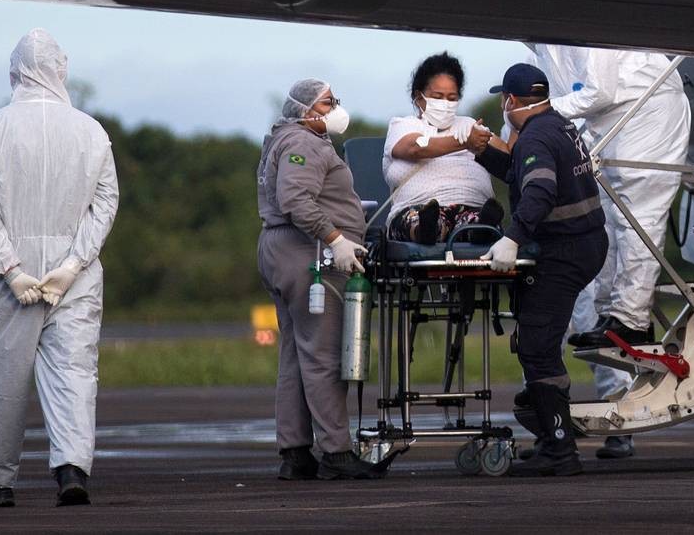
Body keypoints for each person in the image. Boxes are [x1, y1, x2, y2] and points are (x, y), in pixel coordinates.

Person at [0, 28, 119, 508]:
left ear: (15, 71)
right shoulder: (92, 131)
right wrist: (72, 264)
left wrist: (10, 269)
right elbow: (105, 204)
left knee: (2, 378)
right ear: (61, 71)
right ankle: (72, 469)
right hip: (77, 275)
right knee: (73, 372)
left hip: (14, 278)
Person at [533, 44, 691, 459]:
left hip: (646, 110)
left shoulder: (577, 31)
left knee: (638, 215)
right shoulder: (543, 47)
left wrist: (539, 115)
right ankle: (615, 322)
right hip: (612, 121)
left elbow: (598, 91)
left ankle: (632, 321)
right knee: (605, 230)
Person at [475, 63, 608, 477]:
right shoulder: (558, 125)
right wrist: (481, 150)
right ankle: (555, 438)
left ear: (510, 101)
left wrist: (512, 237)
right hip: (584, 244)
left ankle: (560, 450)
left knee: (536, 346)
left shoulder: (537, 136)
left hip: (565, 250)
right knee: (540, 341)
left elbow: (540, 188)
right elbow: (521, 168)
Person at [256, 78, 383, 481]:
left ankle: (295, 451)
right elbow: (295, 200)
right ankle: (336, 451)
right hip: (308, 255)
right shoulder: (305, 144)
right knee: (324, 356)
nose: (335, 109)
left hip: (284, 250)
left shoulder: (285, 139)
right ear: (306, 109)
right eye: (328, 102)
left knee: (296, 355)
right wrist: (336, 238)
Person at [383, 52, 500, 244]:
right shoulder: (404, 125)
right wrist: (465, 142)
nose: (445, 103)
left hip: (470, 205)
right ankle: (427, 229)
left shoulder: (470, 125)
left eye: (451, 98)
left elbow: (505, 151)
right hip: (419, 207)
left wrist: (511, 126)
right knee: (421, 221)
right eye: (438, 96)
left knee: (471, 221)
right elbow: (414, 148)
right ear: (418, 97)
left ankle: (481, 228)